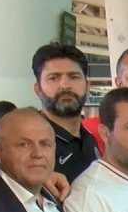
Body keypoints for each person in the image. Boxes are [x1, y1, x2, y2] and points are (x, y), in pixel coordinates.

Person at [32, 44, 99, 182]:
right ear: (38, 89)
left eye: (74, 77)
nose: (65, 85)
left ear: (87, 86)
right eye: (53, 78)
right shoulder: (29, 144)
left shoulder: (90, 138)